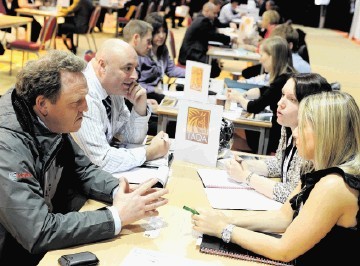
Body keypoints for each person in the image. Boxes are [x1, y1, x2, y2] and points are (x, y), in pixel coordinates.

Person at [0, 50, 169, 265]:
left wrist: (120, 191)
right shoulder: (6, 145)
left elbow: (83, 169)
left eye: (86, 98)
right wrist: (115, 217)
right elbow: (37, 230)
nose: (86, 107)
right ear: (43, 105)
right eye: (76, 102)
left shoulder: (47, 121)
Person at [192, 90, 360, 265]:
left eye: (302, 125)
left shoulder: (335, 185)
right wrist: (224, 218)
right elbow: (283, 217)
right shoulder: (315, 168)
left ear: (326, 132)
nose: (295, 133)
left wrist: (223, 229)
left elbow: (284, 250)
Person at [226, 73, 332, 203]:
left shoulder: (312, 141)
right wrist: (245, 165)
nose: (279, 103)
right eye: (282, 95)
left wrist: (246, 176)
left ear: (311, 106)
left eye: (292, 99)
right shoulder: (287, 125)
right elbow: (278, 163)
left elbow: (293, 194)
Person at [71, 39, 170, 174]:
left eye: (135, 68)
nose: (135, 76)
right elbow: (102, 160)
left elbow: (130, 138)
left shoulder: (113, 87)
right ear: (102, 66)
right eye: (128, 68)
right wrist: (149, 153)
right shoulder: (85, 94)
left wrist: (139, 108)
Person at [227, 36, 296, 154]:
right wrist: (247, 94)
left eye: (262, 55)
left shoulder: (282, 81)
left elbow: (255, 107)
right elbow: (266, 91)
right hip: (280, 130)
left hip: (276, 135)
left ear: (272, 57)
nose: (260, 60)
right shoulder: (287, 75)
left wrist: (239, 98)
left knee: (232, 129)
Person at [138, 12, 185, 104]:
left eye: (164, 31)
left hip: (160, 90)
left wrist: (191, 72)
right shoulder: (141, 53)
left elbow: (171, 70)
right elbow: (135, 85)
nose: (162, 36)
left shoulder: (163, 49)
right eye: (157, 32)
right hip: (146, 95)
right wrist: (154, 89)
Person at [178, 2, 236, 78]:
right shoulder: (203, 21)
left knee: (215, 64)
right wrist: (230, 38)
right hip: (191, 54)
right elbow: (213, 36)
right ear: (207, 11)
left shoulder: (200, 18)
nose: (215, 15)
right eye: (214, 13)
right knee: (215, 69)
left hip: (191, 52)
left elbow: (212, 34)